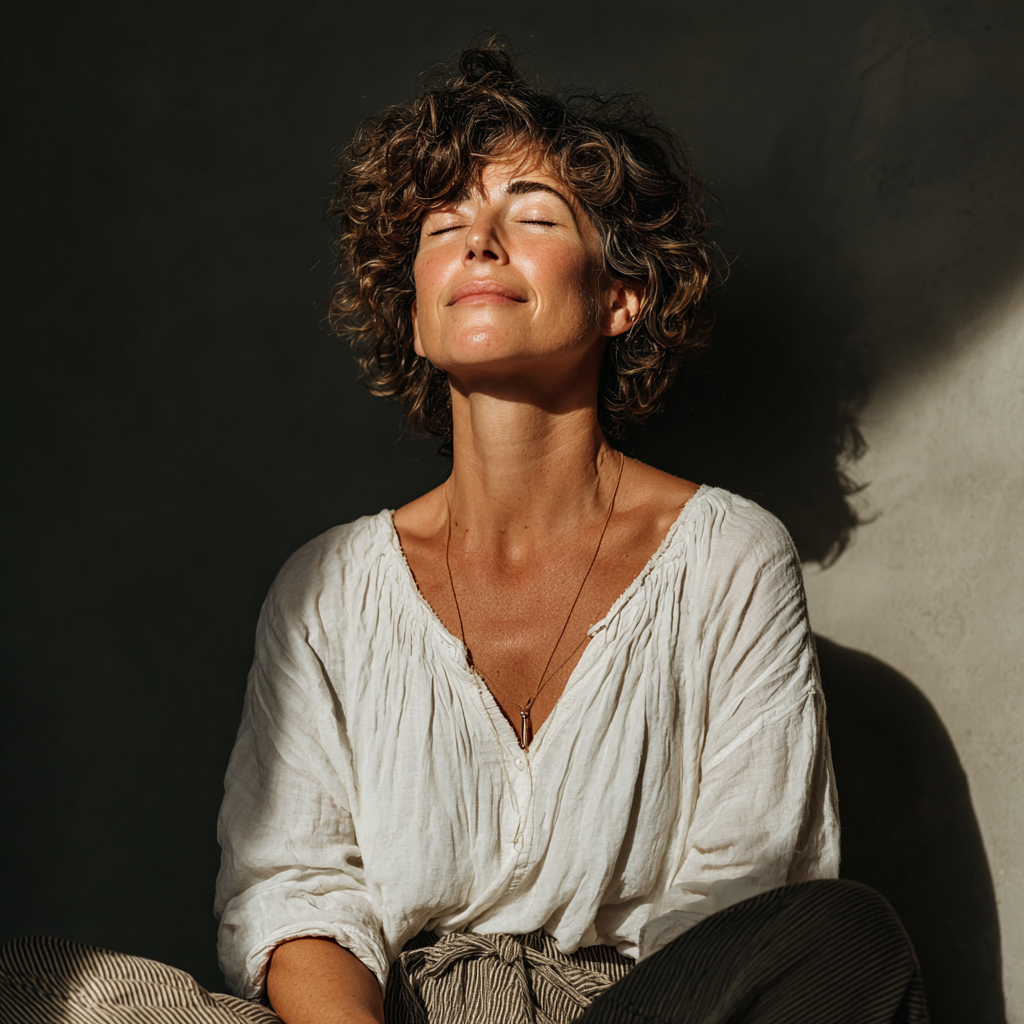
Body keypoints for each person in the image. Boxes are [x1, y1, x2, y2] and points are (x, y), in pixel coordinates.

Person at [0, 41, 927, 1024]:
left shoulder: (729, 556)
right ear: (413, 312)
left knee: (841, 937)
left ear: (620, 295)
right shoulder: (328, 589)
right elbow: (296, 888)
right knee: (34, 984)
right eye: (445, 227)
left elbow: (744, 896)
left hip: (646, 1010)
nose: (479, 242)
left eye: (530, 217)